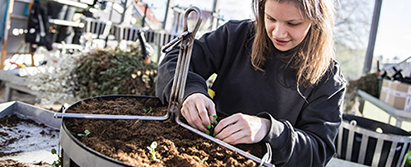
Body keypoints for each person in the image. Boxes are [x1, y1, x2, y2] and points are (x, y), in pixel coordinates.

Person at [156, 0, 346, 166]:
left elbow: (317, 152)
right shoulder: (237, 35)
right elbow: (175, 61)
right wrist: (190, 92)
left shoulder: (329, 79)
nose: (278, 33)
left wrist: (269, 129)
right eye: (270, 18)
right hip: (199, 153)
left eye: (292, 23)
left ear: (316, 21)